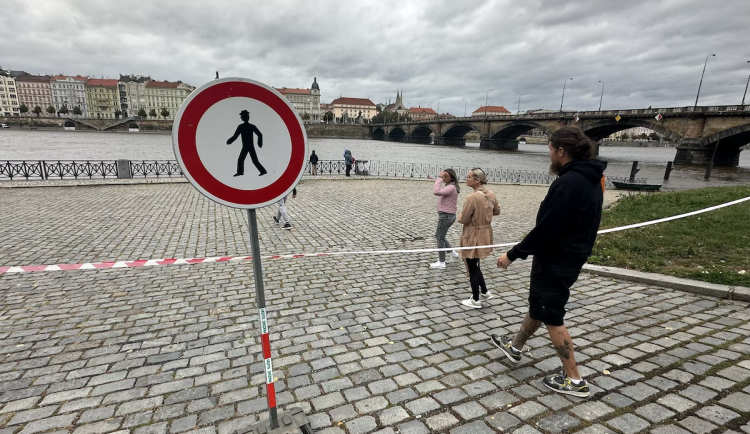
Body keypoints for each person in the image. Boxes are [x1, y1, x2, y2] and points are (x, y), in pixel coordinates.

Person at [492, 126, 607, 398]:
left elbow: (547, 228)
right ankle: (515, 346)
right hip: (569, 254)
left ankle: (574, 380)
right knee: (539, 304)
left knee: (552, 314)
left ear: (560, 151)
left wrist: (513, 253)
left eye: (549, 150)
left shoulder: (569, 183)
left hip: (558, 258)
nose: (549, 155)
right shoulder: (589, 177)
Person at [458, 168, 500, 308]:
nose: (466, 178)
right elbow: (497, 211)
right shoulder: (491, 194)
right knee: (476, 263)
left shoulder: (472, 197)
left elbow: (463, 219)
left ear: (477, 180)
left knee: (472, 265)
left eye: (469, 176)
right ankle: (485, 291)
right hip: (485, 232)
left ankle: (475, 299)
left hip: (473, 234)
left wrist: (464, 217)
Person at [430, 169, 460, 269]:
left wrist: (439, 178)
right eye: (443, 176)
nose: (444, 178)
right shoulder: (450, 186)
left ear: (452, 178)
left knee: (439, 238)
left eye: (446, 176)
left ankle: (441, 262)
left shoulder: (451, 187)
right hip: (447, 216)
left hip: (446, 216)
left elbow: (436, 191)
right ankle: (453, 253)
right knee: (440, 236)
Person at [226, 110, 266, 177]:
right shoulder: (244, 126)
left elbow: (260, 134)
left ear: (244, 117)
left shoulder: (243, 126)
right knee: (253, 160)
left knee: (242, 159)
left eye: (241, 116)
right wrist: (230, 140)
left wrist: (259, 143)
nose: (241, 117)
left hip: (247, 146)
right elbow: (235, 136)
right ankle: (262, 171)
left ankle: (241, 172)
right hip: (248, 146)